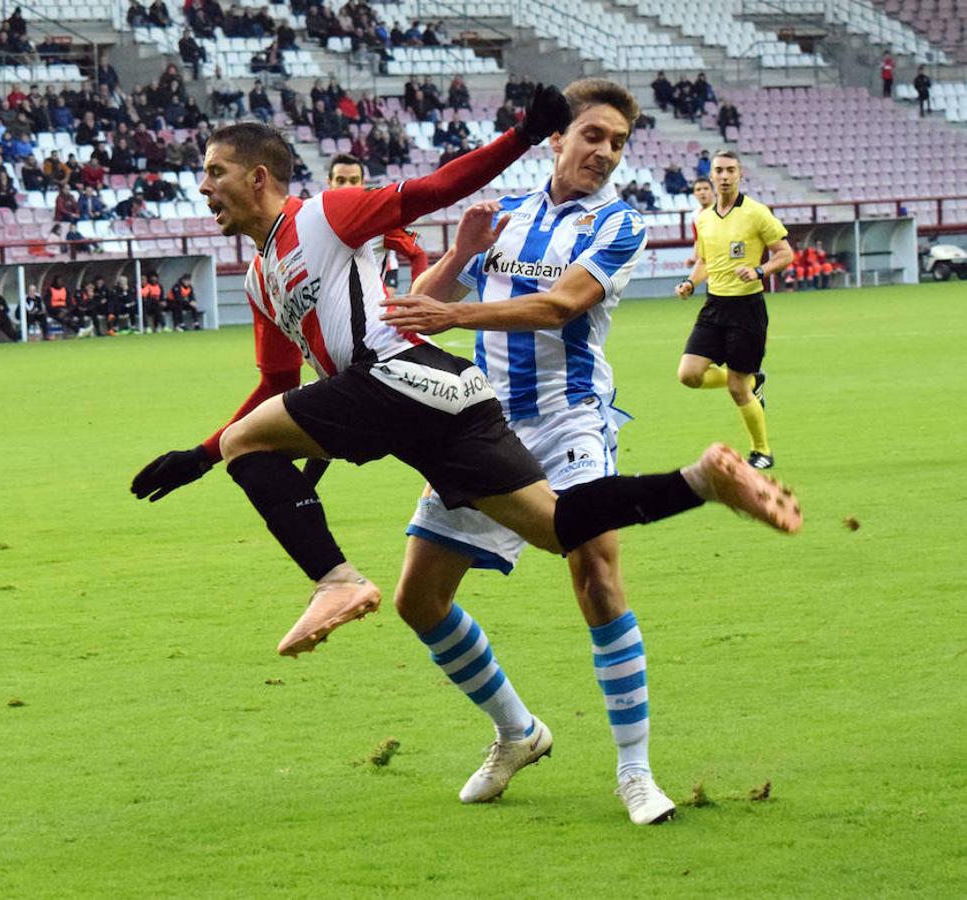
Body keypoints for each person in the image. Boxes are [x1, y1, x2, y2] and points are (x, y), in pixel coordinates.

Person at [130, 92, 801, 671]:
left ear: (257, 177)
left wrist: (520, 135)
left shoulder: (325, 213)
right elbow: (275, 384)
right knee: (556, 527)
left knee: (250, 444)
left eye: (214, 172)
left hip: (398, 375)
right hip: (443, 394)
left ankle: (335, 580)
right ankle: (702, 481)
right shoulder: (258, 278)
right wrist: (198, 455)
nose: (203, 186)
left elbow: (435, 189)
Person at [378, 78, 690, 824]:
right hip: (481, 426)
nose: (605, 153)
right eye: (592, 136)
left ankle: (635, 774)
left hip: (570, 420)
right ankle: (518, 732)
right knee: (419, 600)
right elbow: (417, 303)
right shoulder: (507, 216)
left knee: (596, 574)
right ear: (556, 138)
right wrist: (459, 254)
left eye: (617, 142)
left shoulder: (617, 224)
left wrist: (454, 311)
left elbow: (559, 306)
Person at [674, 150, 794, 470]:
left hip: (747, 308)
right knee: (688, 375)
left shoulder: (757, 213)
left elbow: (785, 254)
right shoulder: (704, 219)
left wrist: (759, 271)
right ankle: (755, 382)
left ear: (740, 175)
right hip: (714, 305)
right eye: (719, 171)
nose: (725, 176)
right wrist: (690, 282)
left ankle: (762, 451)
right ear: (710, 176)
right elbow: (703, 261)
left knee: (737, 389)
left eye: (730, 170)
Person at [325, 153, 428, 290]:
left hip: (371, 308)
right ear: (329, 183)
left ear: (362, 183)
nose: (347, 187)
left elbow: (418, 255)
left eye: (354, 180)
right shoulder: (314, 217)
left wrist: (417, 296)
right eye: (340, 180)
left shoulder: (380, 220)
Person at [684, 176, 715, 266]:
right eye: (698, 189)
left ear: (713, 192)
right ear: (694, 194)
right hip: (708, 262)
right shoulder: (695, 215)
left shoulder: (722, 212)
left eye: (706, 189)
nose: (702, 192)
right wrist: (694, 258)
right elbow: (698, 239)